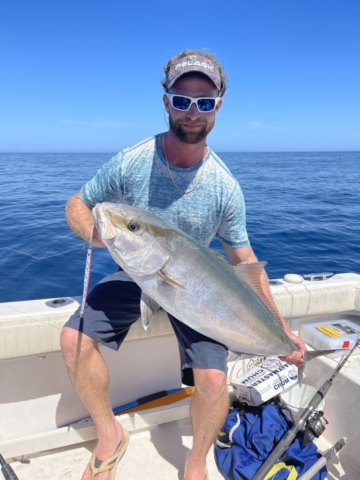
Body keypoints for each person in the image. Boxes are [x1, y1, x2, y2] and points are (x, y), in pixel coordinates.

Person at [61, 49, 307, 480]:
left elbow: (245, 262)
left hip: (195, 289)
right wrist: (97, 233)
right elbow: (79, 202)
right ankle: (109, 434)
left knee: (213, 381)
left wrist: (281, 332)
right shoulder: (132, 160)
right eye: (182, 99)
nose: (193, 112)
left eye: (204, 102)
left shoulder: (225, 188)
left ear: (217, 109)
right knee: (73, 339)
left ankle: (195, 464)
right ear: (166, 101)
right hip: (142, 274)